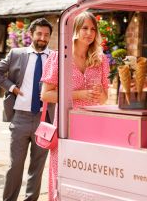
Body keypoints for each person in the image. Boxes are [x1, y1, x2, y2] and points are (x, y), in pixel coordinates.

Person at [41, 12, 109, 201]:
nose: (89, 33)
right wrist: (79, 94)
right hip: (66, 127)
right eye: (84, 28)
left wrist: (98, 92)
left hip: (94, 127)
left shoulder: (100, 59)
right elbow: (45, 94)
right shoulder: (58, 57)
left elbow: (104, 99)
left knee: (89, 174)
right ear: (74, 30)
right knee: (63, 173)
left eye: (93, 29)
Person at [0, 18, 54, 201]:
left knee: (38, 166)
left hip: (44, 119)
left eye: (46, 35)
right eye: (39, 34)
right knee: (15, 165)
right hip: (20, 118)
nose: (42, 38)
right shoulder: (17, 54)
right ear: (31, 34)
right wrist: (13, 88)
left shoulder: (54, 58)